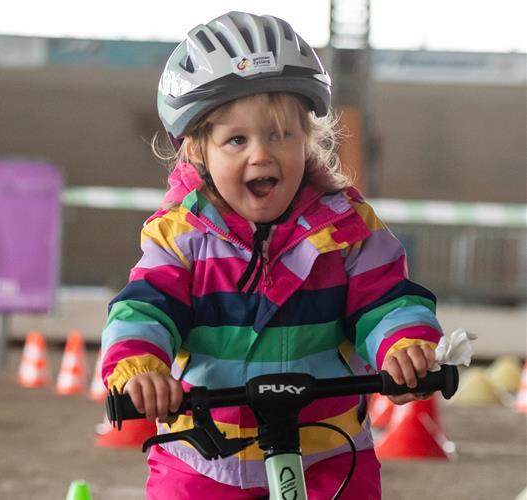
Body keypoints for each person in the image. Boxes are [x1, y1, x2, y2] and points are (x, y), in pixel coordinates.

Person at [99, 11, 442, 500]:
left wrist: (403, 345)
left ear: (309, 140)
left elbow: (385, 299)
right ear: (197, 152)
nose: (261, 154)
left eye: (281, 135)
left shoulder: (346, 229)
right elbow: (144, 309)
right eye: (237, 140)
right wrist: (140, 367)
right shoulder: (180, 236)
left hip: (326, 453)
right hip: (204, 457)